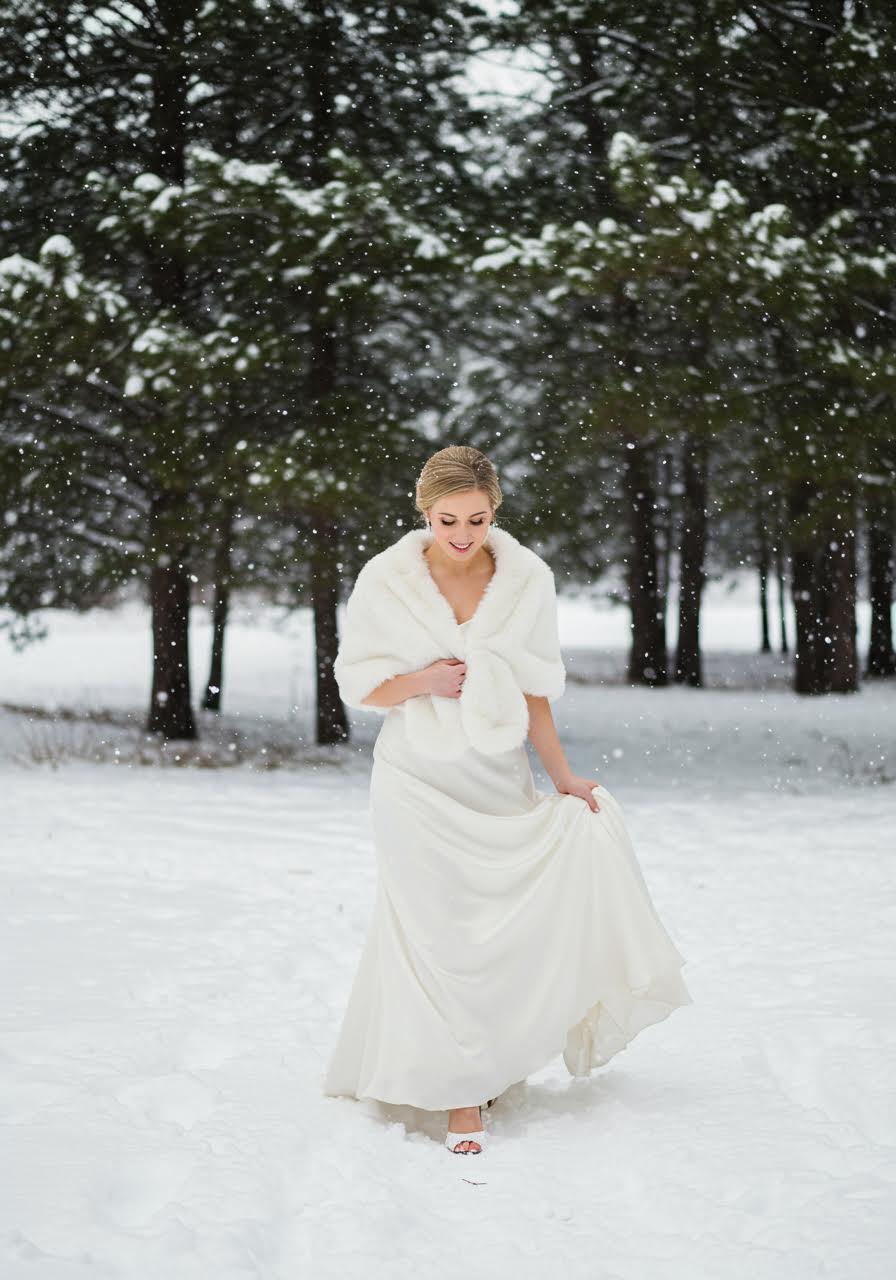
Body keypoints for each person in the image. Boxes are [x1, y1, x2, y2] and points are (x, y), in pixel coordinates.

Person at [323, 445, 692, 1155]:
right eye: (447, 519)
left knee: (489, 932)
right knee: (433, 932)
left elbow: (534, 692)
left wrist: (562, 778)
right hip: (413, 779)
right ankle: (460, 1095)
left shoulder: (526, 581)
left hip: (493, 776)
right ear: (424, 510)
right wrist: (425, 682)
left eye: (478, 519)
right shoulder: (386, 581)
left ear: (496, 512)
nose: (462, 534)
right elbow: (359, 685)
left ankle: (482, 1060)